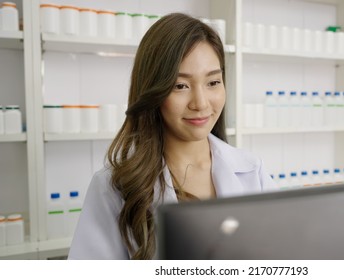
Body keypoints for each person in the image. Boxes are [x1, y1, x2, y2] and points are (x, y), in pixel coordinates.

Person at [68, 12, 277, 260]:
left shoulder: (252, 172)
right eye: (181, 86)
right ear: (152, 91)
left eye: (213, 82)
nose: (200, 103)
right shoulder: (114, 187)